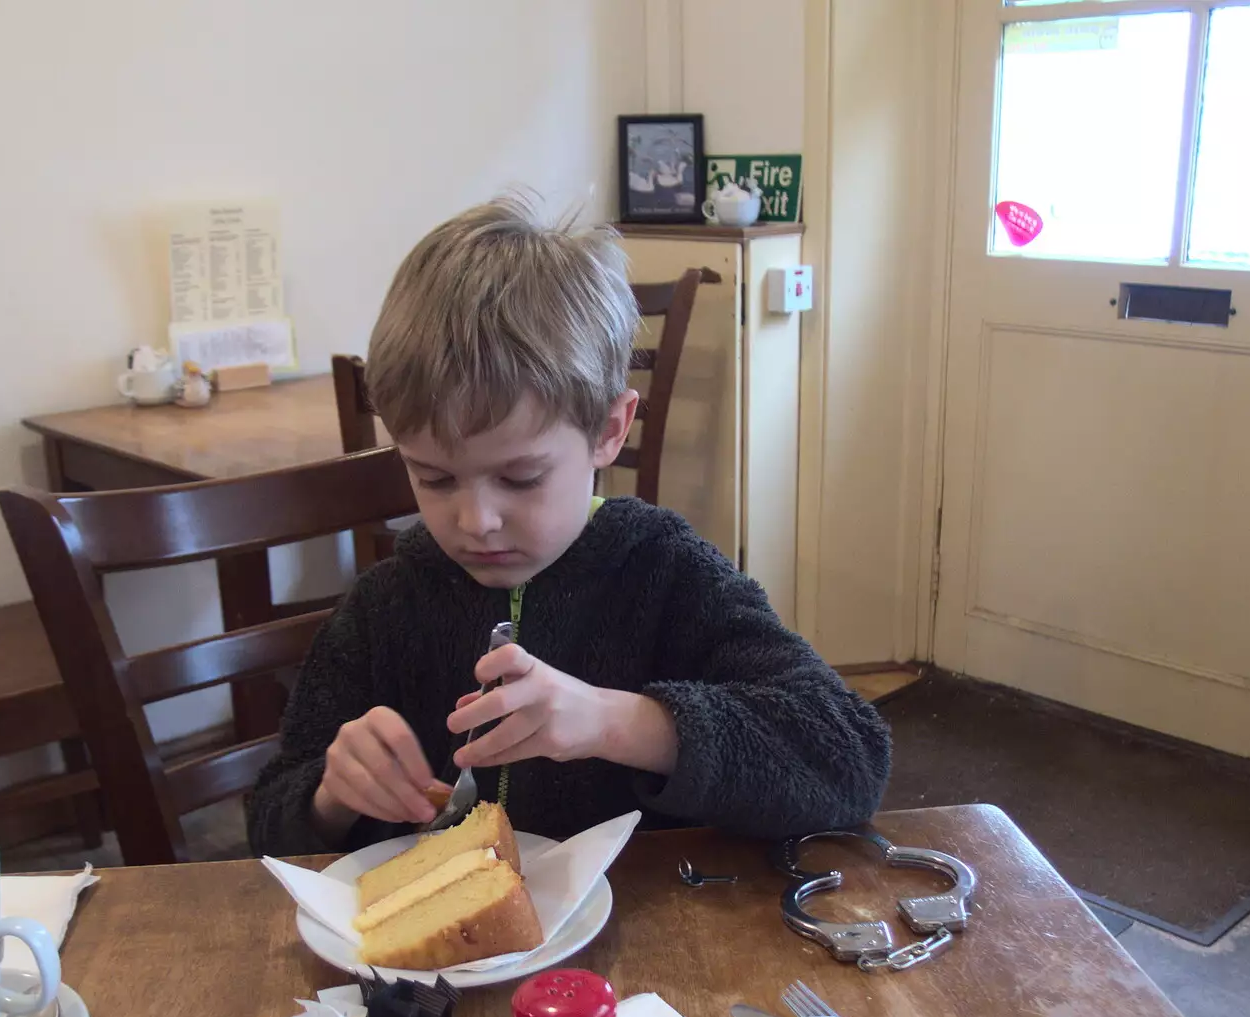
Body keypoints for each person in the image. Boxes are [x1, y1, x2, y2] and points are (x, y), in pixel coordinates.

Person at [246, 193, 890, 857]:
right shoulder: (386, 606)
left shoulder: (667, 573)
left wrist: (622, 721)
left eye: (521, 478)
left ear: (609, 429)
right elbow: (268, 815)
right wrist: (329, 795)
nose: (476, 521)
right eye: (434, 478)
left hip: (640, 945)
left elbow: (850, 757)